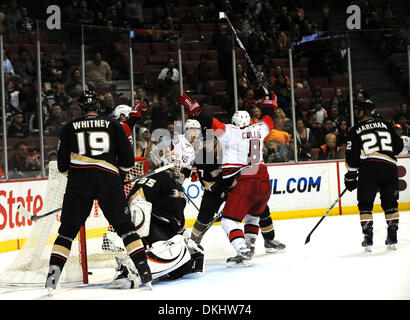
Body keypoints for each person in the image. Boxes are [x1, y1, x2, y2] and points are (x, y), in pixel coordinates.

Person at [45, 90, 152, 293]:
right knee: (126, 229)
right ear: (99, 107)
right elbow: (129, 161)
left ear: (80, 109)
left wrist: (80, 174)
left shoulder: (69, 128)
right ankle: (144, 271)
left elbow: (61, 166)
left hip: (79, 184)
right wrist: (117, 174)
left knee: (67, 233)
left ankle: (52, 278)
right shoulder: (113, 125)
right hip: (109, 182)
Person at [178, 92, 277, 267]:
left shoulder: (229, 132)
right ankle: (250, 246)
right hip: (263, 178)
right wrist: (270, 104)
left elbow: (209, 121)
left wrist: (194, 109)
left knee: (228, 221)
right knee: (252, 216)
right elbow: (270, 118)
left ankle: (244, 251)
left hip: (244, 181)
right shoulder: (260, 129)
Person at [108, 154, 204, 288]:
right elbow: (178, 214)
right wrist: (182, 234)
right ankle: (130, 271)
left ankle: (135, 262)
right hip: (153, 228)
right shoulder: (169, 181)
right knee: (182, 250)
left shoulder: (149, 176)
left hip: (133, 229)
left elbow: (132, 201)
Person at [344, 99, 404, 252]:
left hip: (369, 168)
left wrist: (350, 176)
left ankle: (368, 237)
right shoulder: (386, 124)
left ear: (363, 111)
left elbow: (351, 156)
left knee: (365, 205)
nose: (356, 112)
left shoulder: (355, 129)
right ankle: (392, 236)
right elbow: (398, 147)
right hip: (390, 167)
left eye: (358, 109)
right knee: (391, 204)